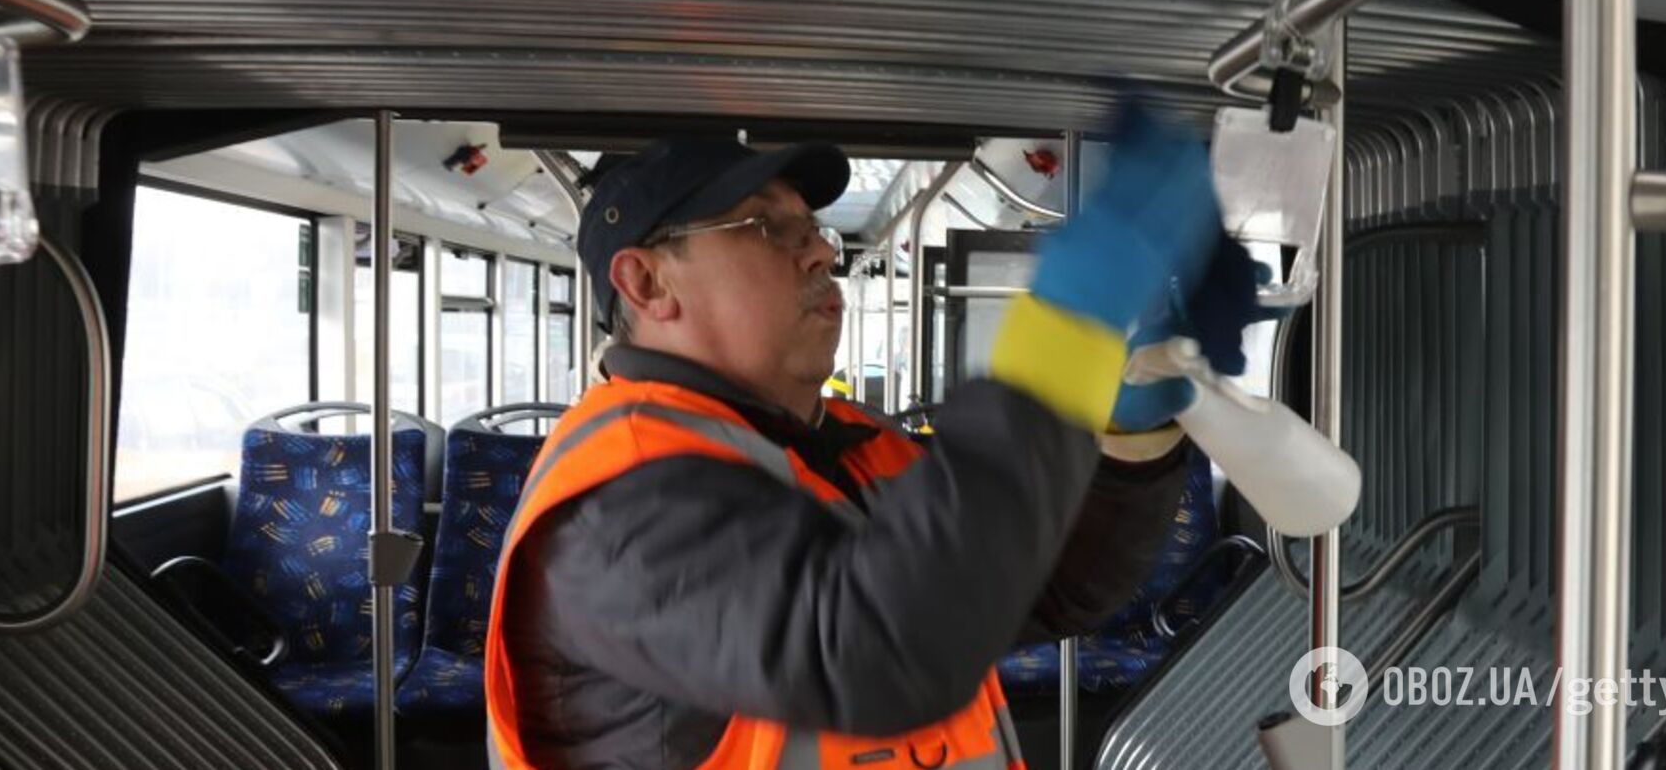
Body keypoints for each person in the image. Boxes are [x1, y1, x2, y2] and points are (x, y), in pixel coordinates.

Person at [485, 106, 1245, 769]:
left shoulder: (849, 445)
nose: (823, 252)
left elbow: (1049, 585)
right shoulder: (620, 506)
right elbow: (869, 650)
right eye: (767, 227)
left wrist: (1127, 435)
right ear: (647, 283)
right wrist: (1061, 346)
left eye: (813, 229)